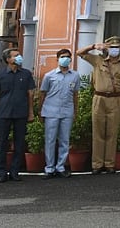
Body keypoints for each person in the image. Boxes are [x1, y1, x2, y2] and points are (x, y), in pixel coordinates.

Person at [77, 35, 120, 174]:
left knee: (112, 132)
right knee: (98, 132)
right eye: (112, 47)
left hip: (116, 99)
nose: (115, 49)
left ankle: (109, 163)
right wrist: (94, 46)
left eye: (117, 47)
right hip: (100, 98)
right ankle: (97, 164)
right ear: (107, 48)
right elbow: (79, 53)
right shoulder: (98, 60)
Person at [0, 46, 35, 182]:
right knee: (2, 143)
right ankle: (1, 172)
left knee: (19, 142)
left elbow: (30, 94)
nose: (19, 57)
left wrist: (31, 112)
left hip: (21, 113)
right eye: (16, 55)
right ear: (8, 59)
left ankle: (15, 171)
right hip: (4, 113)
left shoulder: (26, 74)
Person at [37, 48, 82, 178]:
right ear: (57, 59)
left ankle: (60, 167)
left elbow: (75, 95)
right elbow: (42, 94)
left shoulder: (75, 75)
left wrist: (75, 111)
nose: (65, 59)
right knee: (50, 140)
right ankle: (49, 168)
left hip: (67, 111)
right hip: (51, 111)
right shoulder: (49, 76)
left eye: (67, 57)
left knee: (64, 140)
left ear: (70, 59)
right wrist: (40, 110)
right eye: (62, 57)